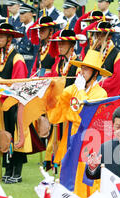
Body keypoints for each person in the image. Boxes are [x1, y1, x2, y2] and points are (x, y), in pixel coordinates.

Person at [0, 22, 44, 184]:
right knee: (4, 137)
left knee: (16, 137)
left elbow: (19, 83)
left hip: (14, 104)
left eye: (2, 36)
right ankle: (7, 170)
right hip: (1, 104)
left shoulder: (17, 58)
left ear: (9, 39)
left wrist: (0, 82)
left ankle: (17, 171)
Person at [46, 49, 109, 198]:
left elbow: (85, 113)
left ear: (95, 74)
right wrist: (52, 90)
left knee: (85, 179)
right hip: (71, 138)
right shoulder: (75, 88)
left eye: (86, 69)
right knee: (68, 174)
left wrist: (79, 91)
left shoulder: (101, 93)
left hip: (89, 142)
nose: (81, 72)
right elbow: (57, 114)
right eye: (81, 68)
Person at [43, 28, 84, 171]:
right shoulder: (59, 63)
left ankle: (67, 164)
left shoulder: (78, 65)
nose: (59, 46)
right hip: (59, 108)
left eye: (63, 44)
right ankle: (56, 163)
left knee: (68, 139)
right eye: (59, 44)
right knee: (55, 138)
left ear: (71, 47)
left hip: (71, 110)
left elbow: (79, 89)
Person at [87, 20, 120, 97]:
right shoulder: (94, 51)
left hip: (108, 96)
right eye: (96, 35)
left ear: (109, 37)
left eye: (101, 35)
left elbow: (118, 80)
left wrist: (98, 84)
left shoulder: (117, 55)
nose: (98, 38)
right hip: (92, 93)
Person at [17, 2, 39, 77]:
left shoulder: (35, 30)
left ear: (30, 14)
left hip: (29, 67)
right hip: (19, 67)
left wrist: (33, 72)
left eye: (23, 13)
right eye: (20, 13)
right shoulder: (19, 29)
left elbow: (36, 53)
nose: (20, 15)